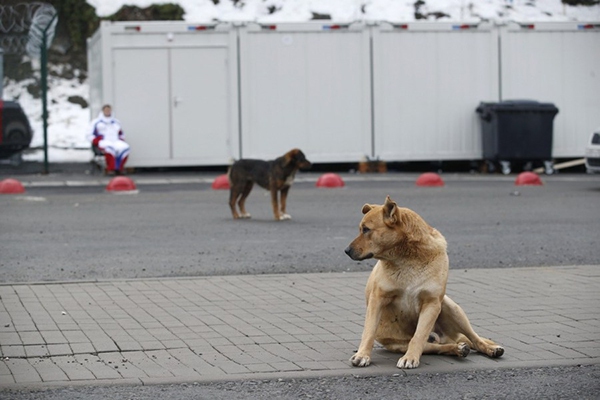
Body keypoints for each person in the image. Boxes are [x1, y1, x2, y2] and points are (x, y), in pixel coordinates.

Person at [87, 104, 130, 175]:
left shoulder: (116, 122)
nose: (107, 112)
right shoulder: (96, 122)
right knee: (110, 149)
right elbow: (89, 134)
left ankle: (119, 168)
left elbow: (121, 133)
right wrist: (96, 140)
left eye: (109, 110)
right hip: (103, 141)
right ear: (103, 111)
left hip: (115, 141)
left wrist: (121, 139)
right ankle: (111, 168)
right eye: (106, 110)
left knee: (125, 148)